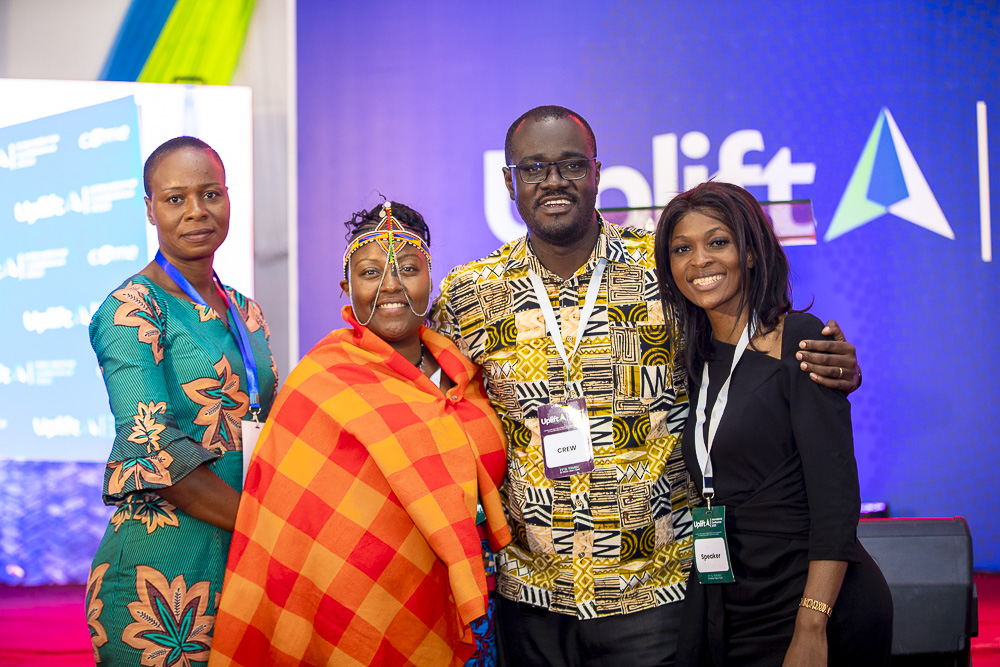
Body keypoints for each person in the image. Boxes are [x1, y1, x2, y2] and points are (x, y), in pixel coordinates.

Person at [430, 106, 862, 666]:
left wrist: (828, 362)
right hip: (532, 596)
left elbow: (753, 348)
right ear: (508, 180)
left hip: (656, 591)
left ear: (598, 173)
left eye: (571, 165)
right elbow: (426, 402)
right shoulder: (469, 293)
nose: (554, 181)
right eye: (534, 167)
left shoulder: (663, 266)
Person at [209, 201, 511, 667]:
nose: (391, 285)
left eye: (408, 268)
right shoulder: (322, 381)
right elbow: (294, 522)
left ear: (430, 280)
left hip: (481, 606)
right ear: (347, 288)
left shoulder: (467, 374)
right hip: (367, 609)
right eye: (371, 272)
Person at [653, 181, 892, 666]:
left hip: (811, 601)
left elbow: (835, 495)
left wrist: (812, 624)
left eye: (717, 242)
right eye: (682, 249)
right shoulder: (695, 358)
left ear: (753, 252)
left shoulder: (801, 341)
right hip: (735, 597)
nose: (699, 260)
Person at [85, 136, 279, 664]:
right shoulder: (131, 310)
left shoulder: (245, 309)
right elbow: (152, 446)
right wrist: (266, 529)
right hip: (159, 574)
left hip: (240, 559)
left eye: (211, 193)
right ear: (150, 210)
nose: (197, 211)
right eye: (175, 199)